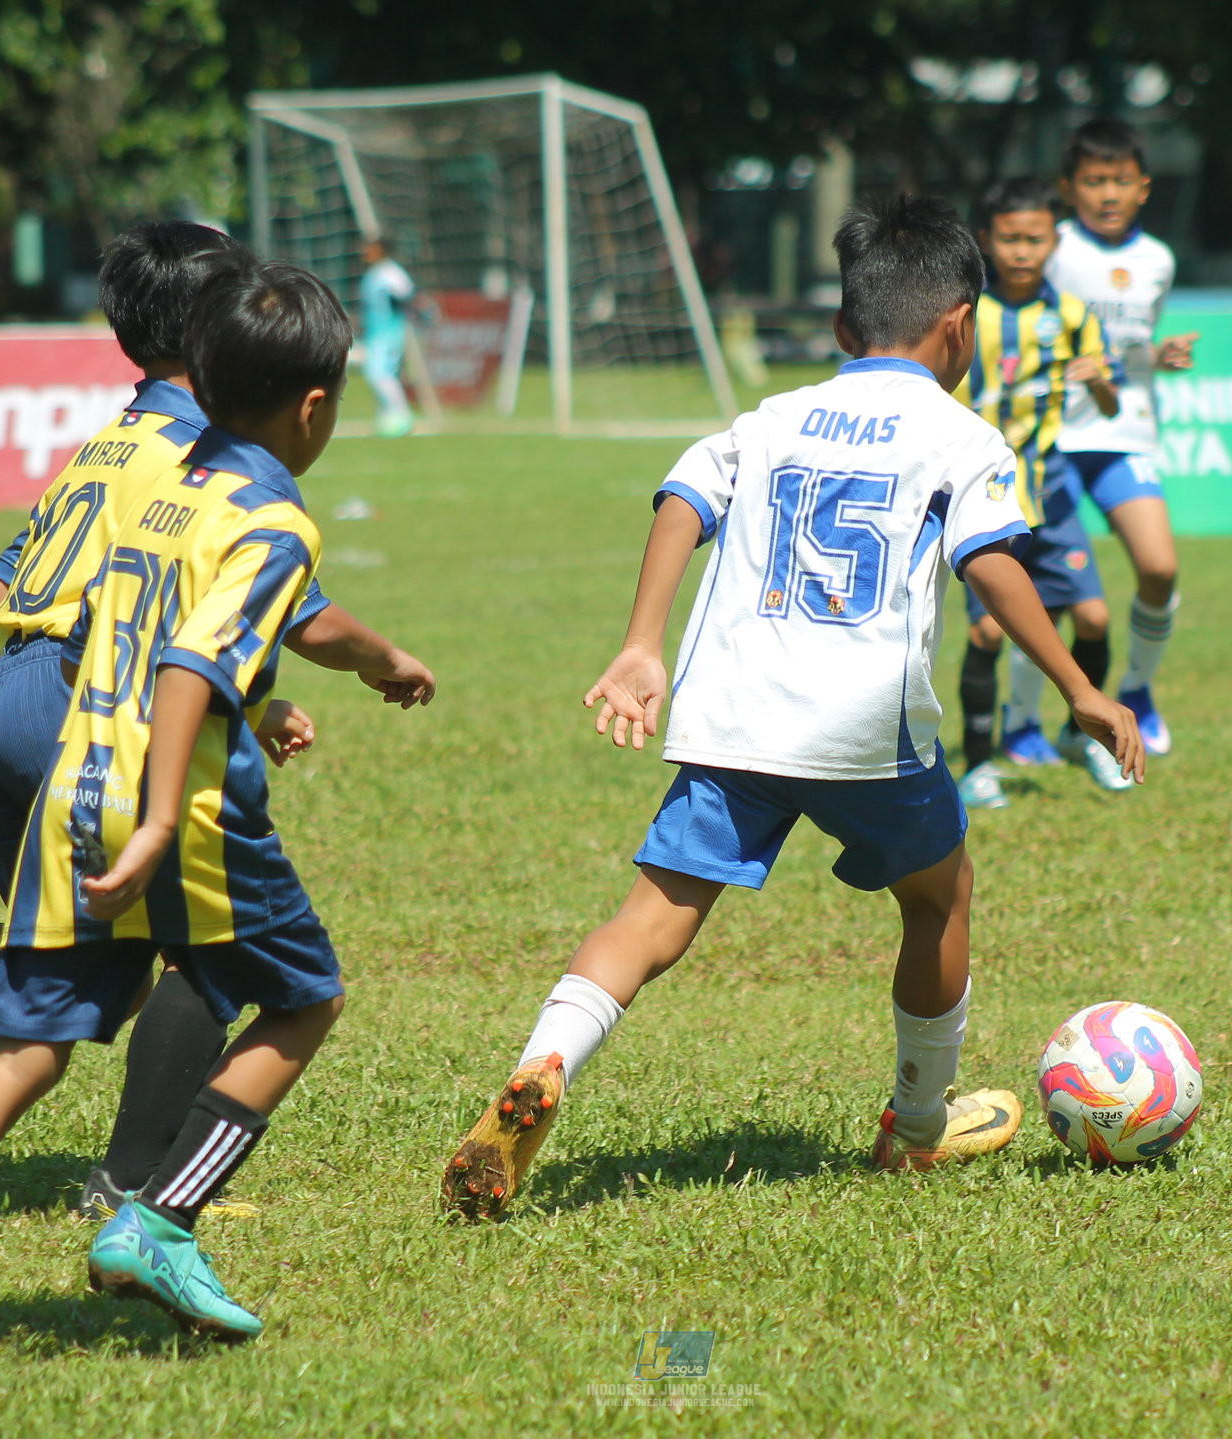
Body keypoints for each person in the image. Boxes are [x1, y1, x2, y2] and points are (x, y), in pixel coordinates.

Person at [436, 195, 1143, 1223]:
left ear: (841, 328)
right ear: (958, 325)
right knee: (937, 896)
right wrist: (1078, 687)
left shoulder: (769, 418)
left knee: (649, 919)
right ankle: (913, 1126)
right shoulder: (960, 434)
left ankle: (544, 1059)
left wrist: (642, 641)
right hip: (864, 725)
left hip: (736, 712)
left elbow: (684, 494)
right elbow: (990, 564)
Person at [0, 261, 437, 1372]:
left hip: (68, 783)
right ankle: (154, 1221)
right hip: (184, 806)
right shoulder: (275, 518)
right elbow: (195, 659)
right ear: (312, 409)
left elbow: (112, 622)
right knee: (303, 1000)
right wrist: (159, 820)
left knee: (27, 1049)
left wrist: (374, 660)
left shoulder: (154, 489)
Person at [0, 222, 303, 1223]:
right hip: (85, 702)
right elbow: (214, 602)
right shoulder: (194, 454)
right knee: (198, 946)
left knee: (97, 969)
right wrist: (278, 686)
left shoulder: (106, 438)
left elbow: (1, 576)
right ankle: (136, 1187)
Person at [952, 180, 1129, 810]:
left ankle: (1076, 733)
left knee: (1096, 618)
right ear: (986, 239)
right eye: (1009, 238)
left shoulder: (1075, 314)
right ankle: (977, 765)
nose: (1022, 251)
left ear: (1054, 241)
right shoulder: (965, 311)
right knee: (987, 636)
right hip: (985, 492)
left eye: (1035, 239)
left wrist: (1100, 380)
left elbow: (1110, 402)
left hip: (1051, 491)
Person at [1049, 118, 1199, 758]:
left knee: (1159, 567)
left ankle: (1137, 688)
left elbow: (1129, 346)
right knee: (1049, 589)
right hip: (1051, 433)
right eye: (1093, 181)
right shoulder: (1050, 246)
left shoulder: (1157, 258)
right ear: (1069, 188)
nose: (1107, 193)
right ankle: (1029, 723)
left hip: (1124, 431)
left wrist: (1155, 355)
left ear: (1143, 187)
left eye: (1119, 181)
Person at [357, 237, 429, 437]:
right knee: (383, 375)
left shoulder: (391, 273)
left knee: (379, 374)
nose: (364, 252)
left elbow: (408, 296)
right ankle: (388, 419)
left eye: (369, 248)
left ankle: (403, 418)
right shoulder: (374, 274)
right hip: (375, 333)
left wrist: (425, 316)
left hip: (389, 333)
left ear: (381, 250)